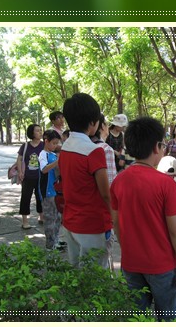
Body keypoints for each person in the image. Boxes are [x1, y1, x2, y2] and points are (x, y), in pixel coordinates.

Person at [110, 117, 176, 321]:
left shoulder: (118, 181)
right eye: (162, 145)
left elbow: (116, 223)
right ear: (157, 147)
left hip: (131, 263)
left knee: (137, 317)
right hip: (161, 265)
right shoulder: (167, 184)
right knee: (168, 316)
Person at [58, 93, 112, 269]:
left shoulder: (65, 147)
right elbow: (105, 194)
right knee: (95, 277)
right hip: (92, 223)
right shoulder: (94, 151)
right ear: (92, 123)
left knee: (76, 273)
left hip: (70, 220)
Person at [38, 130, 63, 250]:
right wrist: (58, 162)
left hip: (56, 190)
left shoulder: (53, 155)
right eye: (53, 143)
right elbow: (44, 169)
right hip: (47, 191)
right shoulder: (43, 154)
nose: (55, 145)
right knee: (50, 218)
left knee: (57, 217)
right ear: (46, 141)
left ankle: (56, 240)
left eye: (57, 143)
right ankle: (50, 245)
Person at [17, 123, 44, 229]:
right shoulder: (25, 146)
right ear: (31, 133)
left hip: (40, 177)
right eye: (37, 130)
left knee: (40, 197)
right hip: (27, 177)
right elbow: (19, 159)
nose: (40, 132)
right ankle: (25, 221)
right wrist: (20, 172)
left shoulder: (43, 145)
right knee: (25, 198)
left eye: (41, 130)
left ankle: (41, 217)